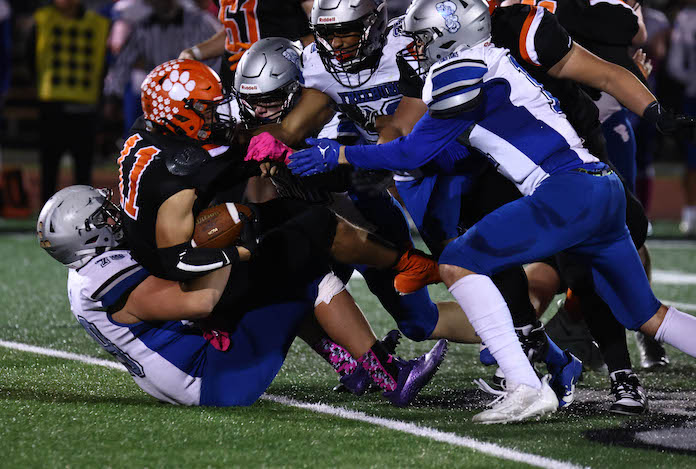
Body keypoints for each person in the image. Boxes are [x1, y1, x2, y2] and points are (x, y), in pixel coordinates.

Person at [288, 0, 696, 423]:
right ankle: (532, 358)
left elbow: (412, 150)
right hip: (599, 187)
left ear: (450, 35)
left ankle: (523, 385)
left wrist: (340, 154)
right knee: (648, 316)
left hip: (566, 188)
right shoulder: (487, 60)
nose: (416, 48)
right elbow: (441, 153)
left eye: (424, 38)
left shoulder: (458, 71)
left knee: (457, 263)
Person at [241, 4, 583, 408]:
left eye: (346, 32)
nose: (335, 44)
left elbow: (400, 132)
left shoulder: (409, 45)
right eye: (326, 34)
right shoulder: (315, 66)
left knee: (470, 268)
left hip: (440, 168)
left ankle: (528, 355)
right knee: (405, 310)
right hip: (374, 188)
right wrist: (268, 145)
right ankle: (360, 361)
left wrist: (346, 157)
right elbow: (283, 128)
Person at [37, 185, 448, 407]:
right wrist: (230, 248)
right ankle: (387, 374)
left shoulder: (88, 274)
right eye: (103, 216)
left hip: (191, 368)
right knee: (303, 271)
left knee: (276, 271)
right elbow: (199, 303)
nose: (113, 215)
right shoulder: (106, 277)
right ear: (88, 233)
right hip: (210, 378)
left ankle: (351, 364)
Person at [28, 0, 110, 203]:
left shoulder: (98, 23)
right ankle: (46, 217)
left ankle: (84, 216)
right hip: (52, 105)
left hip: (85, 107)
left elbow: (106, 65)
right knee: (49, 168)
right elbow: (30, 56)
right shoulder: (42, 20)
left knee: (83, 171)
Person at [102, 0, 221, 134]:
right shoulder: (144, 25)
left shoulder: (199, 21)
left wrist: (209, 92)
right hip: (157, 95)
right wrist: (113, 96)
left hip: (192, 95)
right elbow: (124, 61)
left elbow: (216, 58)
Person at [666, 0, 696, 235]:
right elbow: (675, 63)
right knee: (692, 157)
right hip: (694, 97)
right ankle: (690, 213)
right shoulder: (686, 18)